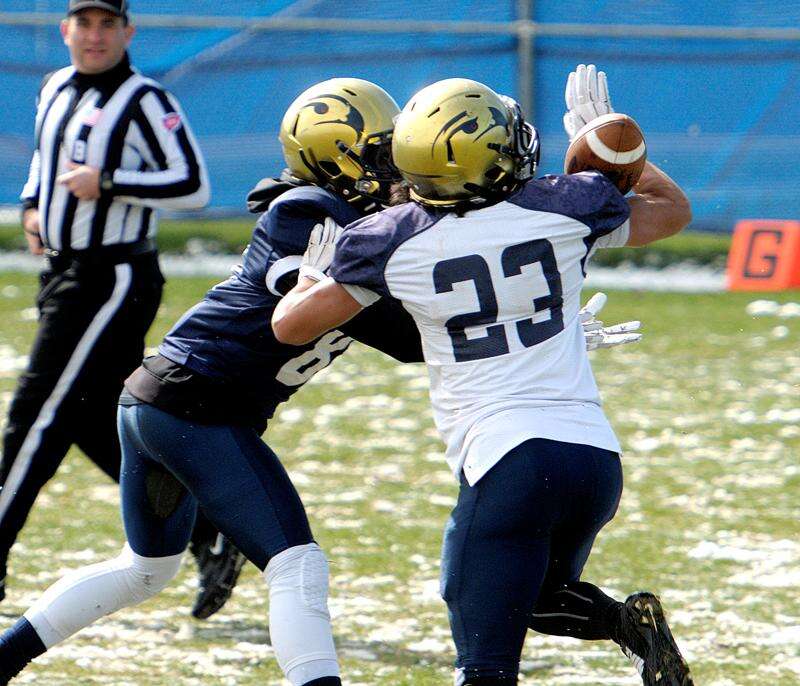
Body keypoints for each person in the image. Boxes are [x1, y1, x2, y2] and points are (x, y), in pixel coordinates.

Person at [0, 73, 638, 684]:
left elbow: (417, 322)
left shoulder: (359, 219)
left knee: (145, 569)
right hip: (195, 404)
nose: (401, 166)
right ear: (340, 161)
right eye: (384, 152)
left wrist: (517, 316)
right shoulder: (306, 211)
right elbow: (361, 328)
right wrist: (515, 317)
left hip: (165, 399)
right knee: (296, 565)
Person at [271, 70, 694, 686]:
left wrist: (311, 276)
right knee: (544, 597)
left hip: (507, 461)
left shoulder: (391, 241)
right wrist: (618, 154)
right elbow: (672, 212)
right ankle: (633, 628)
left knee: (484, 664)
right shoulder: (566, 206)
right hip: (594, 460)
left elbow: (290, 328)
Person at [0, 0, 219, 614]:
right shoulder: (55, 85)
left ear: (128, 31)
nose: (95, 36)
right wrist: (31, 206)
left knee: (34, 416)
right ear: (65, 29)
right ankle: (210, 530)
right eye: (84, 23)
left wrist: (110, 179)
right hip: (64, 272)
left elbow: (192, 185)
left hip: (112, 276)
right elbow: (47, 156)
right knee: (100, 420)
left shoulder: (144, 99)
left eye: (107, 24)